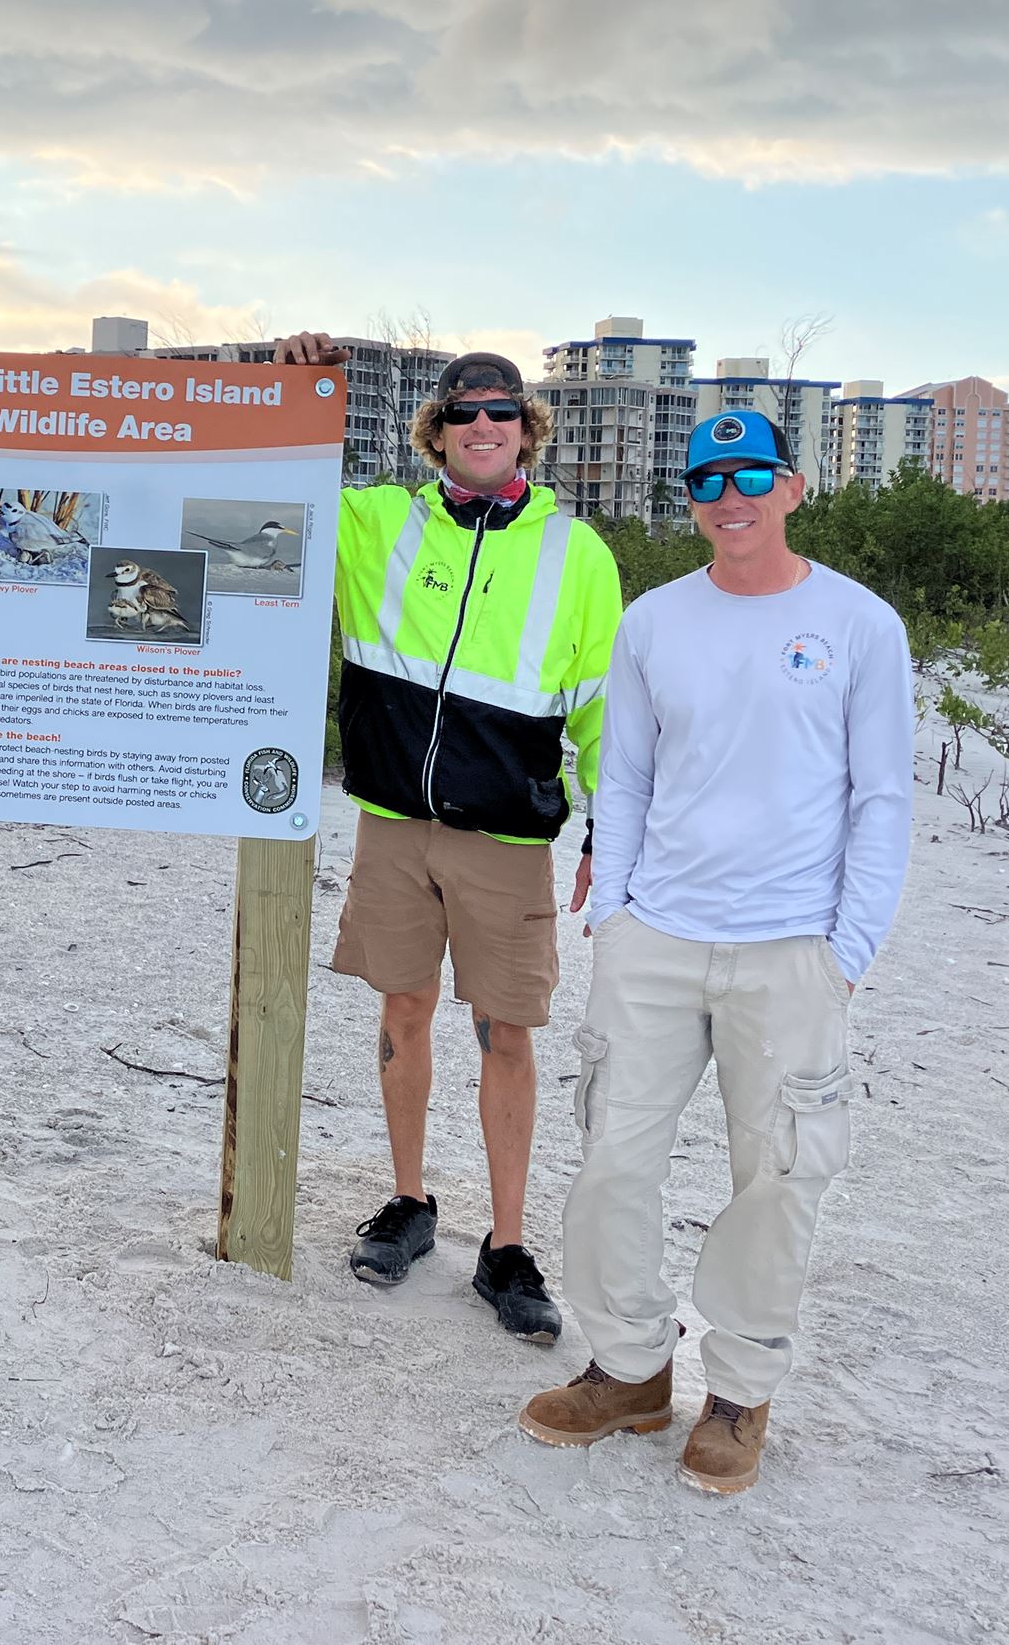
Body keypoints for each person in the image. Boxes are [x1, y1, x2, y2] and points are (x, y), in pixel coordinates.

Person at [520, 410, 912, 1494]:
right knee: (610, 1159)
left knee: (776, 1175)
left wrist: (846, 949)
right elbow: (628, 775)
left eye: (748, 475)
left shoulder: (856, 623)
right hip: (655, 938)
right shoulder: (653, 621)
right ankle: (629, 1371)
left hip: (791, 947)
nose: (725, 496)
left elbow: (879, 798)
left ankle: (738, 1393)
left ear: (790, 487)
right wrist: (618, 909)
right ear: (685, 500)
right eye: (703, 480)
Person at [276, 334, 622, 1340]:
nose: (482, 428)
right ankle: (408, 1201)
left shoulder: (577, 554)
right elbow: (282, 481)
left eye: (500, 413)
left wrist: (607, 824)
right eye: (463, 413)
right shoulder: (374, 521)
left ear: (526, 431)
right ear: (435, 430)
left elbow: (605, 705)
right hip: (391, 827)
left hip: (506, 840)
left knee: (504, 1032)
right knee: (402, 1010)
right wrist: (306, 390)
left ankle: (506, 1245)